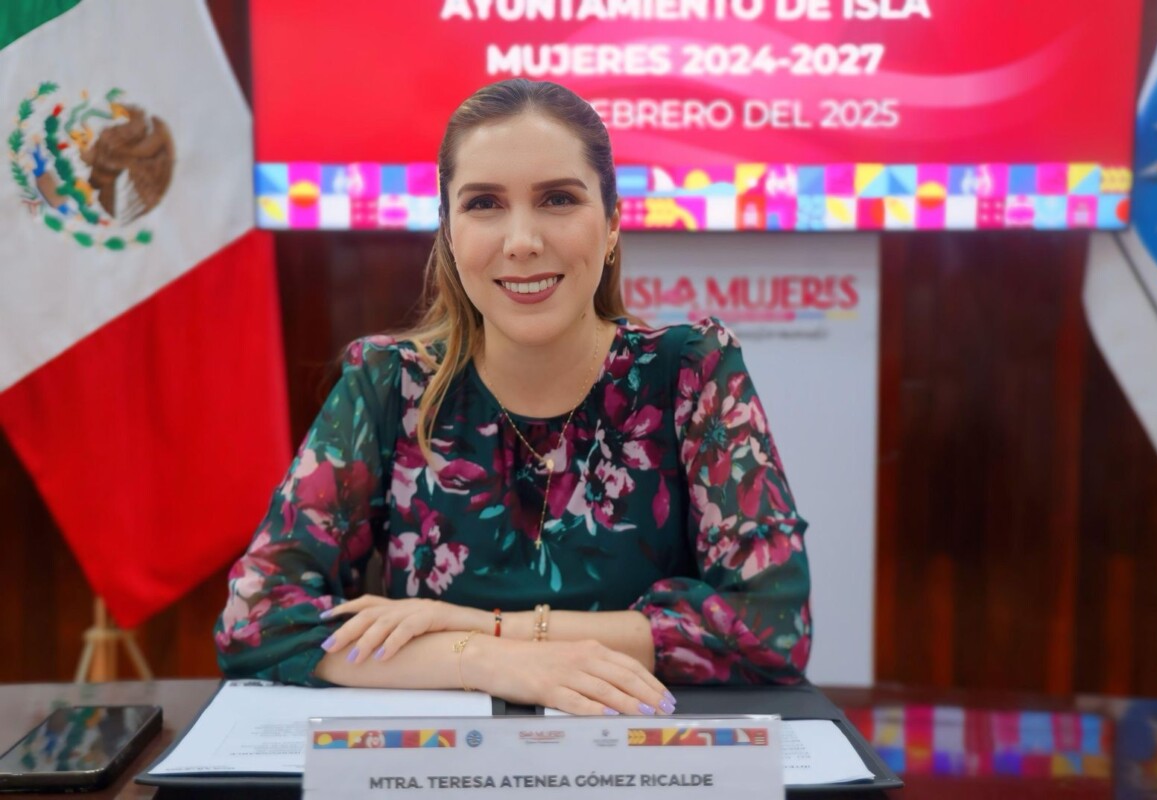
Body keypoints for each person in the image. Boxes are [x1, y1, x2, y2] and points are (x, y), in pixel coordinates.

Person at [215, 78, 812, 716]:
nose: (521, 240)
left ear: (612, 222)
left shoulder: (691, 370)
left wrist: (491, 628)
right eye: (484, 203)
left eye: (558, 199)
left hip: (639, 752)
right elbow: (258, 617)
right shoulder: (388, 381)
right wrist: (483, 659)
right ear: (448, 231)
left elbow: (771, 626)